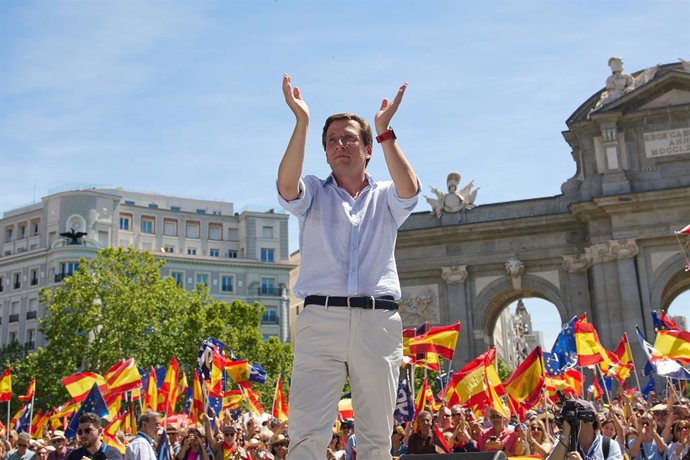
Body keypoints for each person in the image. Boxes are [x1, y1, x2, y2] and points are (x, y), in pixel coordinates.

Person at [277, 74, 420, 460]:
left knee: (375, 439)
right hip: (321, 320)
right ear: (324, 152)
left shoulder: (387, 196)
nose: (340, 144)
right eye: (332, 140)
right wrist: (302, 123)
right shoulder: (312, 193)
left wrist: (386, 129)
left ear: (368, 148)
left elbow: (410, 189)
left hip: (378, 322)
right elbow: (285, 186)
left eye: (350, 137)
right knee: (306, 438)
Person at [546, 400, 623, 460]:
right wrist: (565, 433)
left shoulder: (609, 446)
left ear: (591, 418)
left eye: (577, 415)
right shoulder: (564, 441)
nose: (573, 419)